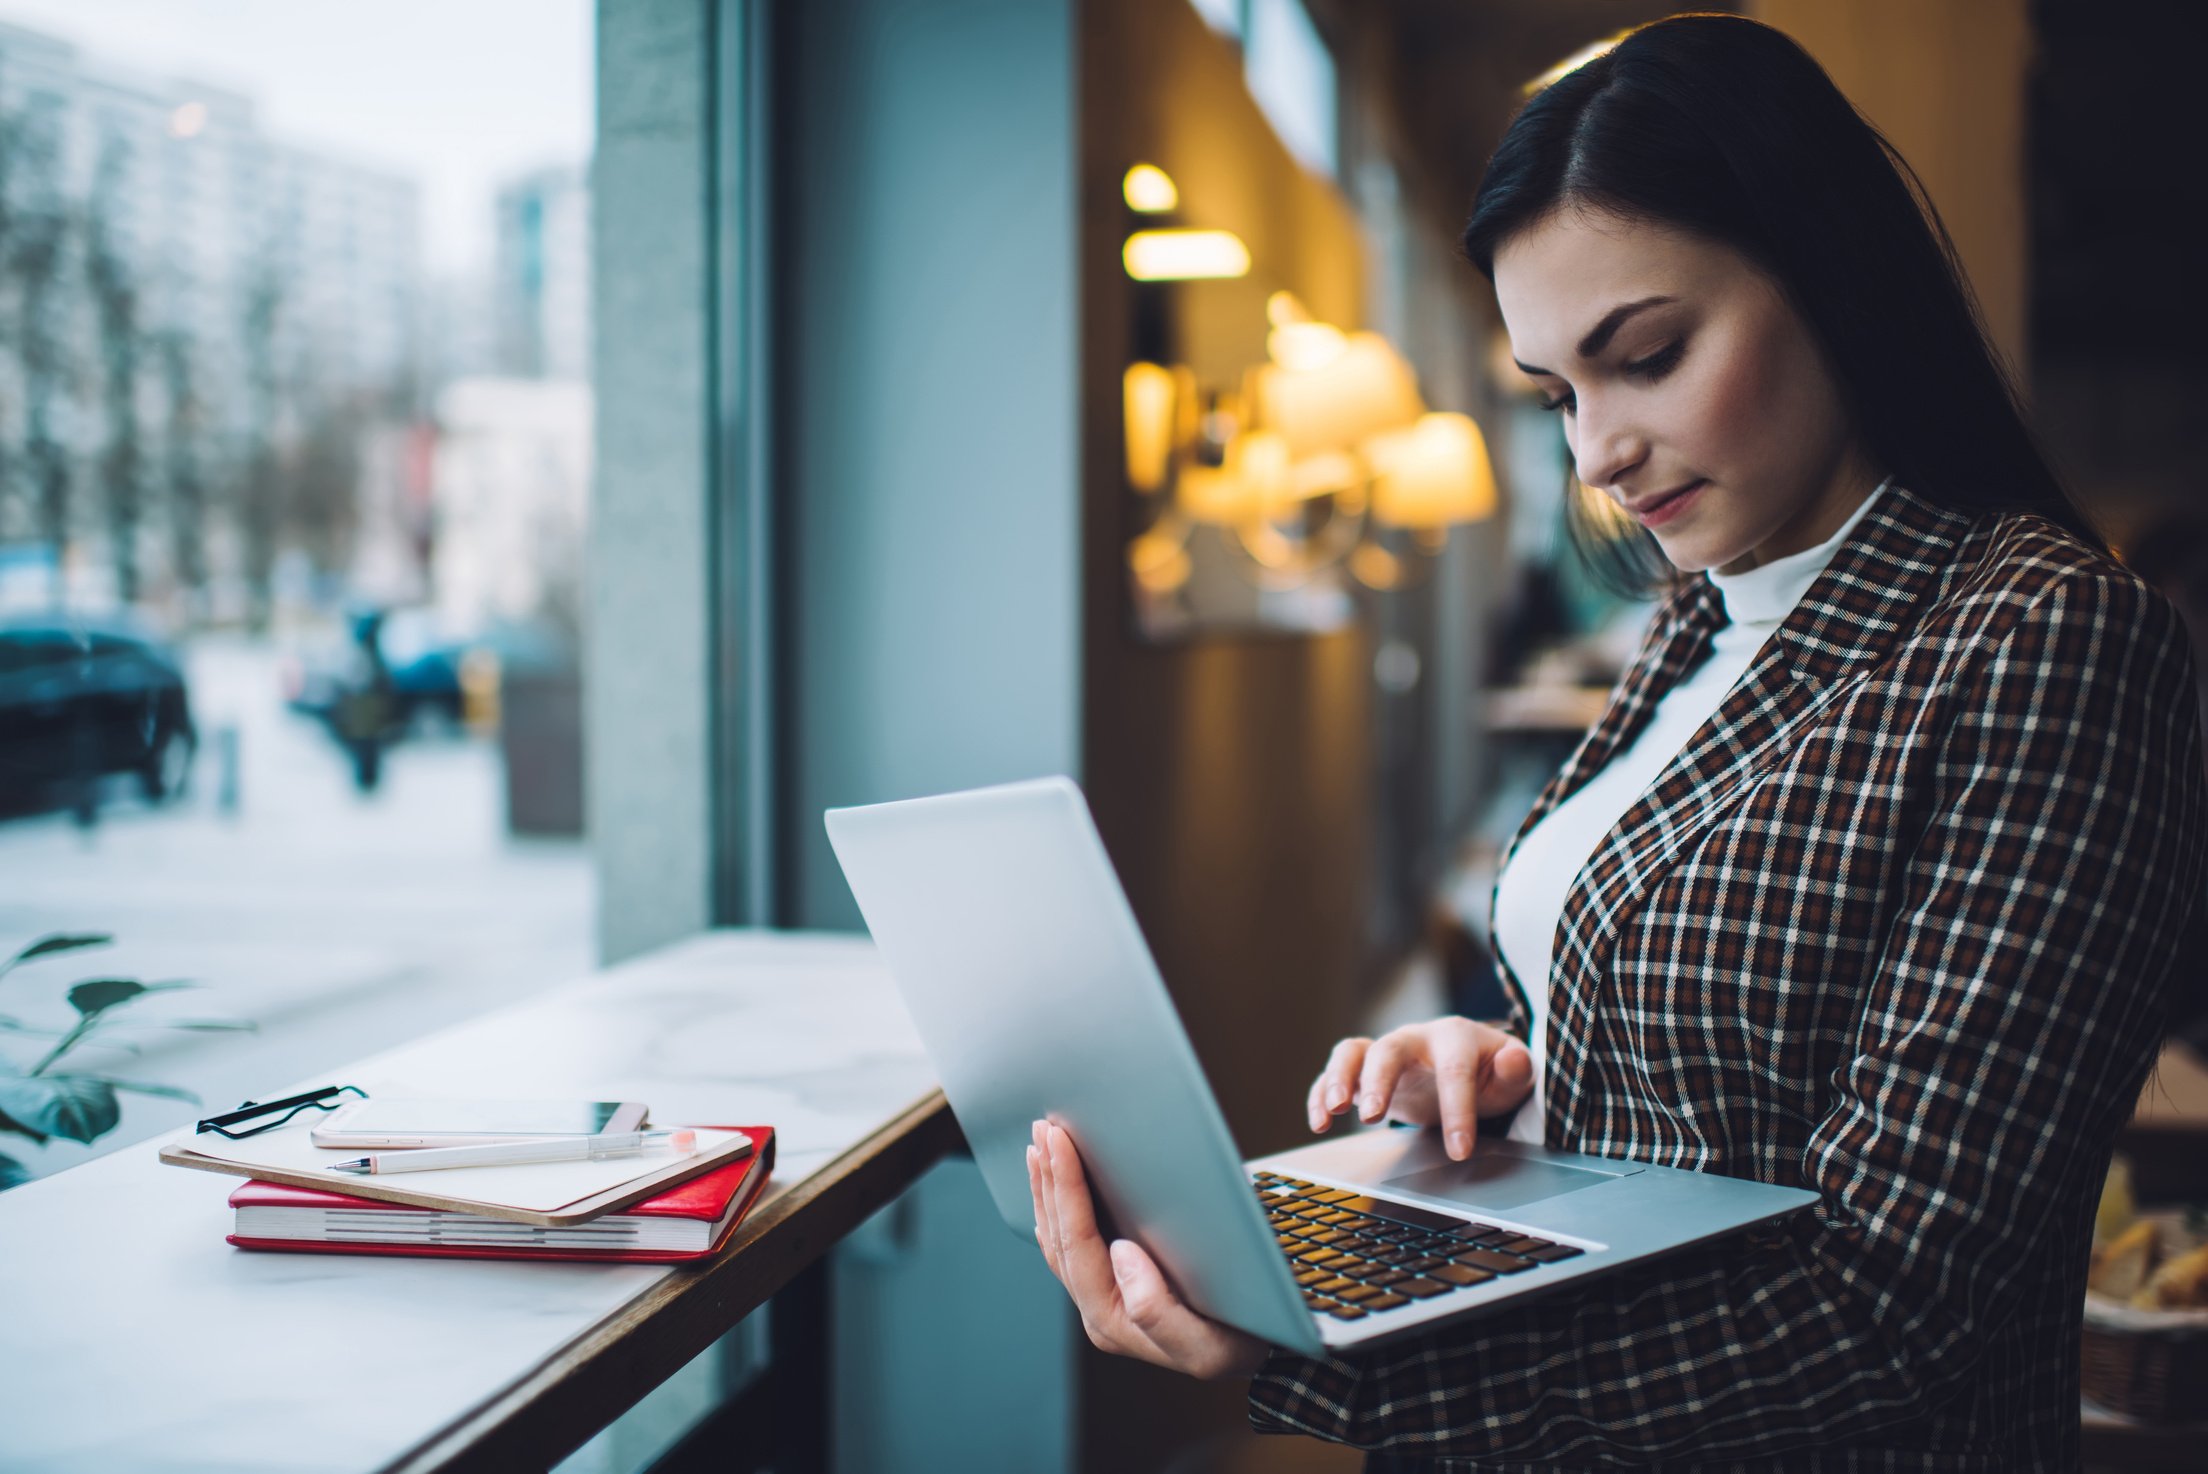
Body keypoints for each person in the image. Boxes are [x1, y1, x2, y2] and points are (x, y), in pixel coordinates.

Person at [1025, 14, 2207, 1470]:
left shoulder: (2045, 642)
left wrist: (1320, 1357)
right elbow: (1706, 1050)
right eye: (1559, 394)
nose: (1596, 452)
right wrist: (1511, 1066)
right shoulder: (1692, 625)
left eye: (1645, 355)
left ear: (1830, 271)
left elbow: (1894, 1303)